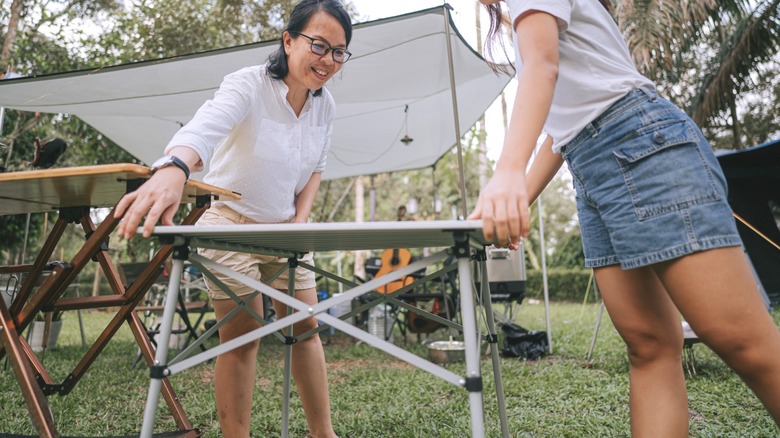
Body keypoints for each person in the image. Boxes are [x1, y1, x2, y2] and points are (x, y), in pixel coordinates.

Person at [472, 0, 780, 435]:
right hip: (591, 165)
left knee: (743, 341)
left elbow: (543, 65)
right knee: (649, 345)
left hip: (640, 143)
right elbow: (561, 133)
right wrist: (514, 195)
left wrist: (505, 174)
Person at [115, 1, 351, 436]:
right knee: (244, 333)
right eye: (319, 45)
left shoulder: (325, 104)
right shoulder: (248, 84)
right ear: (288, 40)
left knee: (307, 327)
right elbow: (204, 127)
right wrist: (174, 168)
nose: (328, 60)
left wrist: (299, 223)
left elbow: (316, 167)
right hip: (229, 224)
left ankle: (324, 433)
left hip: (284, 231)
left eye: (339, 52)